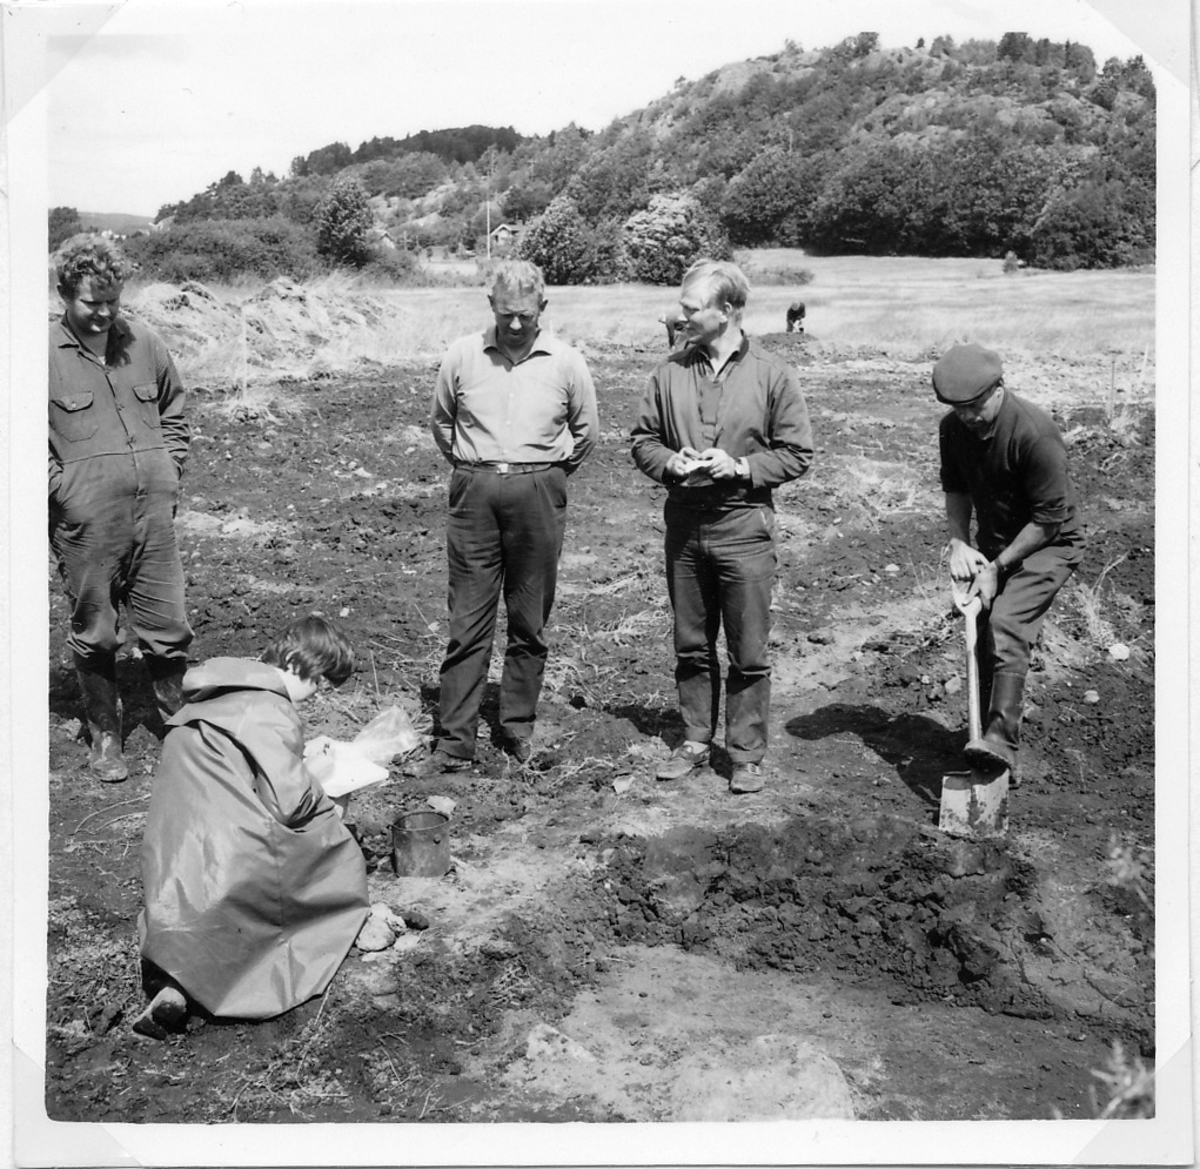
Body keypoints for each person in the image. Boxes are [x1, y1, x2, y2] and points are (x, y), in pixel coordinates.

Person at [134, 616, 369, 1039]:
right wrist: (320, 778)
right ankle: (309, 936)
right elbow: (289, 805)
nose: (318, 694)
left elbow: (240, 766)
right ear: (296, 662)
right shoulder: (271, 709)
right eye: (319, 681)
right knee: (331, 836)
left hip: (175, 857)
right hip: (233, 856)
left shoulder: (218, 693)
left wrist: (298, 757)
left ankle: (175, 984)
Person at [631, 260, 814, 794]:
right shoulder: (668, 372)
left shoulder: (772, 374)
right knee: (691, 643)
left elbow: (797, 452)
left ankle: (746, 753)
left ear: (727, 311)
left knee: (748, 650)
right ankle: (694, 738)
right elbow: (642, 441)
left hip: (744, 526)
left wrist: (741, 467)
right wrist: (670, 462)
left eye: (691, 309)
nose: (680, 317)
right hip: (685, 527)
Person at [420, 260, 599, 773]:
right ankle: (454, 742)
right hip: (474, 490)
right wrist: (477, 469)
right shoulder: (462, 356)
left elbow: (586, 432)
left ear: (543, 307)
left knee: (528, 617)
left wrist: (542, 474)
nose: (515, 324)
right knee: (467, 619)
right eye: (505, 314)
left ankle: (517, 726)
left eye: (525, 314)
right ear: (491, 307)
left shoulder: (567, 362)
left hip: (539, 489)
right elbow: (442, 422)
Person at [49, 234, 193, 782]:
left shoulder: (145, 342)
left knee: (167, 622)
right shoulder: (37, 355)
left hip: (153, 514)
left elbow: (174, 411)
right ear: (65, 295)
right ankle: (106, 736)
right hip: (87, 523)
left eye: (113, 301)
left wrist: (168, 471)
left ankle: (179, 721)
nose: (105, 313)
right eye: (92, 302)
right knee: (97, 628)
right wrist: (64, 492)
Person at [935, 343, 1085, 778]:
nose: (967, 416)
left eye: (975, 406)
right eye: (958, 408)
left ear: (999, 388)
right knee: (982, 631)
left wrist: (996, 569)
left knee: (1006, 623)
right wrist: (960, 544)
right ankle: (983, 737)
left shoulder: (1035, 435)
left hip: (1050, 543)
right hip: (996, 542)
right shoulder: (953, 429)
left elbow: (1048, 521)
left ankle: (1000, 744)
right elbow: (956, 490)